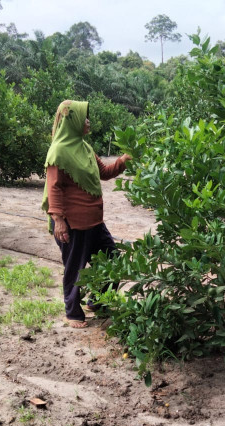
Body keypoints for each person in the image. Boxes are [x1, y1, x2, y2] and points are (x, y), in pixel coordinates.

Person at [41, 100, 131, 328]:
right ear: (73, 121)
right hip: (72, 224)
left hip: (94, 222)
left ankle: (97, 301)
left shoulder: (85, 148)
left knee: (112, 260)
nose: (88, 121)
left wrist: (123, 160)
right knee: (76, 268)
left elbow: (104, 172)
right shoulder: (59, 151)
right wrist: (58, 220)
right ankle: (72, 312)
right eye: (84, 117)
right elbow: (54, 187)